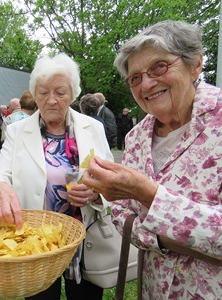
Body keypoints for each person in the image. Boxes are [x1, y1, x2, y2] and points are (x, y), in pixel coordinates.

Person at [82, 20, 222, 299]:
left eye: (159, 66)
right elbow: (122, 216)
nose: (146, 83)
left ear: (195, 64)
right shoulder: (136, 138)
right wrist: (161, 239)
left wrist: (149, 196)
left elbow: (137, 209)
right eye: (135, 77)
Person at [0, 53, 113, 300]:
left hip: (85, 240)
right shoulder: (18, 131)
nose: (51, 100)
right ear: (35, 94)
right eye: (43, 92)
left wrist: (95, 194)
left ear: (72, 94)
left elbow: (110, 178)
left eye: (60, 92)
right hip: (36, 243)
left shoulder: (93, 128)